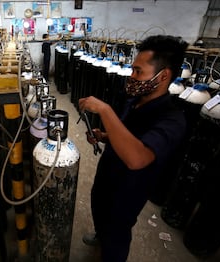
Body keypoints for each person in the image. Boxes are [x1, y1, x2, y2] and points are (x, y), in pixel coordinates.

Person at [78, 35, 188, 261]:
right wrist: (104, 136)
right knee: (99, 208)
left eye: (139, 71)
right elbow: (126, 134)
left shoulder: (172, 120)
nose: (132, 76)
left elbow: (138, 157)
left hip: (129, 190)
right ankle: (100, 235)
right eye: (133, 70)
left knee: (116, 233)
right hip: (108, 172)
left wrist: (105, 111)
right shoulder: (134, 100)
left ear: (163, 75)